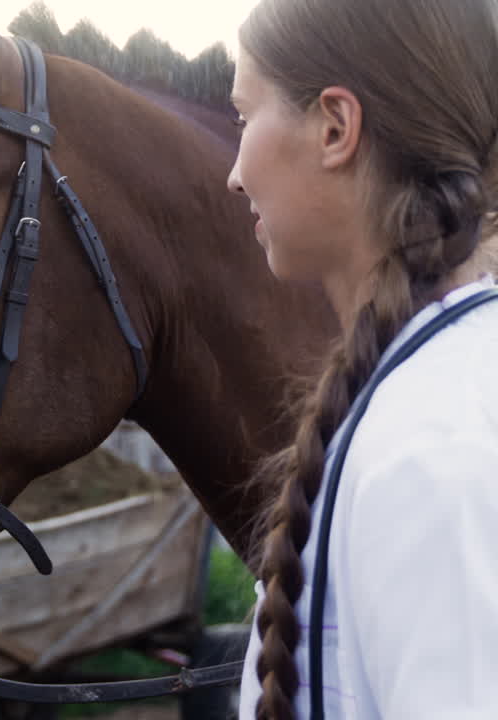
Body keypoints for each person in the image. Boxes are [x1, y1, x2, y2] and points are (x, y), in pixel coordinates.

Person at [225, 0, 498, 718]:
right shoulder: (436, 399)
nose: (233, 174)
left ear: (335, 128)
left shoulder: (431, 455)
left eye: (243, 117)